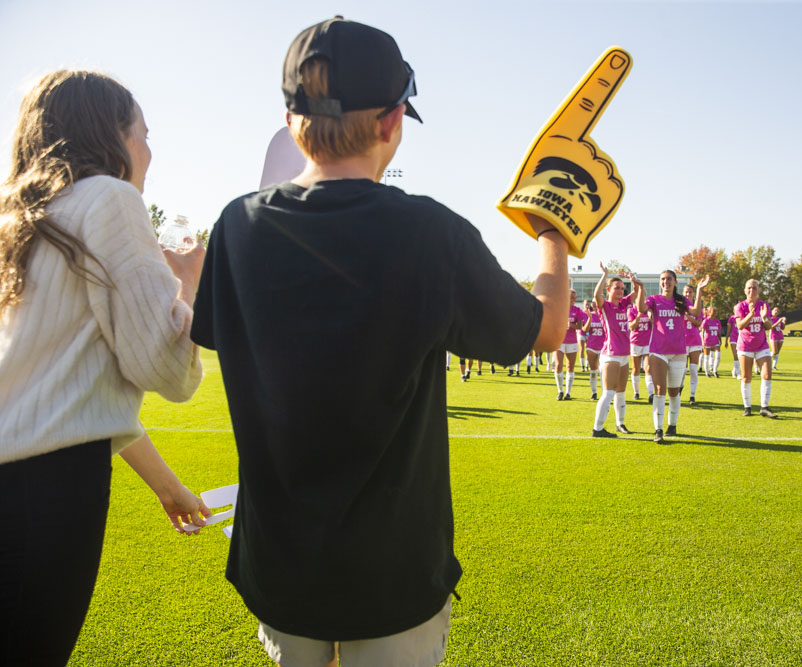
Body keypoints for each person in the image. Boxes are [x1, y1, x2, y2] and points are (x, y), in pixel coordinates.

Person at [190, 18, 569, 667]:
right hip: (394, 571)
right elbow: (546, 327)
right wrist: (553, 229)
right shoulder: (429, 232)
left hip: (281, 565)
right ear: (393, 122)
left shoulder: (235, 226)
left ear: (290, 121)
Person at [0, 70, 209, 665]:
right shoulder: (112, 199)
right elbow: (165, 369)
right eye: (142, 132)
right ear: (110, 135)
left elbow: (60, 393)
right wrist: (187, 287)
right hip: (49, 494)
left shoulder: (19, 217)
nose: (149, 148)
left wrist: (167, 486)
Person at [639, 270, 696, 442]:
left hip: (678, 351)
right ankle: (658, 429)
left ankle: (672, 425)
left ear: (675, 282)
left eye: (669, 279)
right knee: (659, 390)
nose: (666, 282)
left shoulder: (681, 300)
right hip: (658, 350)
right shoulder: (655, 300)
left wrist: (699, 289)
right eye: (663, 279)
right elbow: (641, 308)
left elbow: (696, 311)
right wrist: (640, 288)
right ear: (660, 282)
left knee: (674, 392)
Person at [591, 263, 644, 437]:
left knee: (621, 392)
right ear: (609, 289)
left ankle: (620, 424)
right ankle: (597, 428)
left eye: (622, 288)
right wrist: (605, 275)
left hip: (624, 355)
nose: (621, 290)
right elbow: (596, 295)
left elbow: (636, 293)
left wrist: (632, 279)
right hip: (610, 354)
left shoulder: (623, 305)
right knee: (609, 391)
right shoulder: (605, 306)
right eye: (617, 288)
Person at [735, 279, 776, 417]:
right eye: (749, 288)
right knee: (746, 377)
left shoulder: (764, 305)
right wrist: (751, 315)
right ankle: (747, 407)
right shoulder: (740, 306)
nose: (751, 291)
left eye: (754, 288)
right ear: (745, 290)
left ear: (758, 290)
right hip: (745, 345)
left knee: (767, 374)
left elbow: (770, 326)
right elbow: (740, 325)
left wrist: (764, 318)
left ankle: (765, 407)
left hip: (761, 345)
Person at [554, 288, 586, 400]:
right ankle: (560, 391)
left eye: (574, 297)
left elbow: (580, 326)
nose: (573, 299)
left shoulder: (577, 310)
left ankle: (568, 392)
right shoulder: (558, 309)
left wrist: (571, 325)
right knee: (558, 365)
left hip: (572, 341)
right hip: (559, 341)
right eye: (571, 297)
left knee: (570, 367)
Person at [682, 280, 709, 403]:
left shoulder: (697, 308)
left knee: (693, 369)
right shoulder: (679, 306)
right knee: (682, 369)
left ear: (693, 294)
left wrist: (688, 316)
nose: (688, 294)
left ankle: (692, 395)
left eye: (690, 292)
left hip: (694, 341)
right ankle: (679, 389)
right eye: (686, 292)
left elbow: (699, 323)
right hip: (682, 341)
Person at [627, 300, 653, 402]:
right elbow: (631, 327)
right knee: (636, 369)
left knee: (648, 368)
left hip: (647, 342)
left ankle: (651, 394)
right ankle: (636, 392)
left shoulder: (649, 310)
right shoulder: (631, 310)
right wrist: (638, 315)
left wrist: (651, 317)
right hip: (635, 342)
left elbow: (654, 325)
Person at [581, 299, 606, 400]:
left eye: (596, 302)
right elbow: (585, 329)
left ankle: (605, 393)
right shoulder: (588, 314)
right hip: (591, 346)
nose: (595, 304)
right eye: (593, 302)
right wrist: (590, 318)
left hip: (603, 346)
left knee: (603, 371)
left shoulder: (605, 314)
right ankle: (594, 392)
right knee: (593, 371)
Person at [701, 306, 722, 378]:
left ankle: (715, 370)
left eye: (715, 311)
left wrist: (720, 339)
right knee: (706, 357)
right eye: (713, 311)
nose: (715, 312)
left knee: (718, 356)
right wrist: (703, 341)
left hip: (715, 341)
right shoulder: (706, 321)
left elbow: (719, 331)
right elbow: (702, 331)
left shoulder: (717, 321)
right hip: (707, 341)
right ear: (709, 312)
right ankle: (707, 372)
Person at [769, 306, 787, 370]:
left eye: (777, 311)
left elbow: (782, 328)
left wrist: (784, 322)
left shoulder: (779, 319)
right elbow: (771, 327)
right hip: (773, 336)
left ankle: (774, 366)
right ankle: (764, 357)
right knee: (774, 352)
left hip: (780, 336)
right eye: (775, 310)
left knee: (777, 353)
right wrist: (779, 321)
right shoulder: (770, 319)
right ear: (772, 311)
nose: (776, 312)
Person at [726, 305, 740, 377]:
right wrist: (726, 340)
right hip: (733, 338)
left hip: (741, 338)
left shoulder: (743, 316)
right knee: (735, 355)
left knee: (740, 356)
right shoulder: (731, 318)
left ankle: (734, 370)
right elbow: (728, 329)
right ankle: (738, 373)